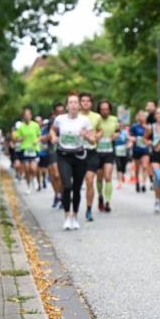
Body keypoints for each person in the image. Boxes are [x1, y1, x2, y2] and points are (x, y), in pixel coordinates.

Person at [50, 92, 96, 230]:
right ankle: (66, 217)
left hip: (80, 156)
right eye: (71, 102)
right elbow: (52, 130)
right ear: (67, 105)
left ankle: (75, 217)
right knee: (67, 186)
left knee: (76, 188)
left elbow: (93, 140)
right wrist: (53, 137)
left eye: (76, 102)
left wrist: (86, 136)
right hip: (64, 156)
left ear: (79, 106)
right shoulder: (60, 119)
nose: (74, 105)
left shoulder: (85, 121)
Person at [94, 99, 120, 213]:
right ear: (99, 110)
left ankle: (108, 202)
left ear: (110, 109)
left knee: (108, 176)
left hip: (109, 151)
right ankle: (100, 196)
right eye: (102, 109)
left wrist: (116, 135)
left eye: (107, 109)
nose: (105, 111)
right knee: (99, 177)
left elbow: (118, 130)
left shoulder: (114, 119)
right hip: (97, 152)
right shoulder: (95, 119)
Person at [79, 93, 101, 221]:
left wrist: (97, 135)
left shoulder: (96, 116)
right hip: (77, 151)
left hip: (91, 151)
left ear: (91, 103)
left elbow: (100, 129)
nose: (86, 103)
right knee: (76, 183)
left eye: (88, 101)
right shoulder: (75, 116)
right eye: (83, 100)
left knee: (89, 180)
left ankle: (88, 209)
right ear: (80, 103)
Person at [13, 107, 41, 193]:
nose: (27, 116)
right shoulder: (21, 127)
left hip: (34, 149)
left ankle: (35, 179)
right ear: (23, 116)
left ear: (31, 116)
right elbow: (16, 138)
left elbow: (40, 136)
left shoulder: (35, 125)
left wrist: (37, 140)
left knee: (33, 168)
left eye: (28, 115)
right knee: (27, 169)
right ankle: (28, 186)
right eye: (25, 115)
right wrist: (20, 139)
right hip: (24, 149)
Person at [47, 102, 65, 207]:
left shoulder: (69, 120)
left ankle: (62, 196)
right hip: (53, 149)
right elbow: (49, 134)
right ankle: (57, 194)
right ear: (54, 112)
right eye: (57, 112)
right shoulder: (52, 122)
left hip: (65, 149)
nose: (60, 114)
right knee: (56, 175)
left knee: (63, 175)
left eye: (62, 112)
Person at [129, 110, 150, 193]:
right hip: (137, 149)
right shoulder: (134, 126)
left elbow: (150, 137)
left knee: (145, 166)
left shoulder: (148, 126)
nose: (142, 117)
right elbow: (130, 135)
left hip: (145, 149)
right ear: (138, 117)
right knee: (137, 168)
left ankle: (144, 184)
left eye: (143, 116)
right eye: (140, 116)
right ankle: (137, 182)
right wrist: (132, 139)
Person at [113, 120, 130, 189]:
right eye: (118, 125)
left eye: (121, 124)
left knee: (123, 167)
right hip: (116, 152)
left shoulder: (125, 132)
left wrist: (129, 144)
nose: (119, 126)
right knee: (118, 166)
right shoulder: (114, 132)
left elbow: (129, 140)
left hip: (124, 151)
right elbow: (111, 139)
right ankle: (119, 182)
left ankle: (122, 174)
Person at [37, 115, 51, 191]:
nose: (38, 123)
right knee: (37, 169)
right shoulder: (33, 128)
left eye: (39, 121)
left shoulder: (45, 129)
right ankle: (39, 184)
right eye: (36, 121)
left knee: (44, 168)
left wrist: (42, 139)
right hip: (35, 152)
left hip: (44, 151)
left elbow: (46, 138)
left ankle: (44, 180)